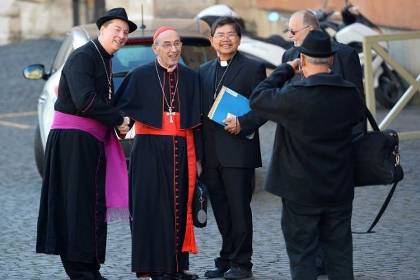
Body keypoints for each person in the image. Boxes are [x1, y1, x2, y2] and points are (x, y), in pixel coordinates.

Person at [250, 30, 365, 280]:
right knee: (340, 255)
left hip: (299, 190)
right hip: (338, 187)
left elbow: (258, 98)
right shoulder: (349, 93)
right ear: (332, 60)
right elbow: (357, 120)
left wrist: (286, 70)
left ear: (302, 60)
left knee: (303, 256)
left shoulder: (294, 95)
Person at [36, 7, 136, 280]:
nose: (122, 35)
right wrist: (117, 118)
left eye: (125, 32)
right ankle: (80, 271)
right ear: (102, 29)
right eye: (117, 29)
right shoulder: (83, 57)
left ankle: (90, 267)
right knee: (77, 206)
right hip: (73, 143)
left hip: (89, 142)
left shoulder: (104, 58)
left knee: (92, 204)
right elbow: (86, 100)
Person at [114, 26, 201, 280]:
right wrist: (121, 128)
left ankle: (176, 267)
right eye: (167, 45)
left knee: (179, 206)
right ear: (156, 49)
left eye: (177, 44)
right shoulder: (139, 76)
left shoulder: (191, 77)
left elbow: (198, 123)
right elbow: (121, 114)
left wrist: (201, 159)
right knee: (150, 208)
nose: (173, 49)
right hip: (148, 150)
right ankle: (153, 268)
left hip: (181, 149)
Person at [198, 16, 266, 280]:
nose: (225, 39)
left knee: (239, 210)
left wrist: (244, 123)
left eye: (231, 34)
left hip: (239, 151)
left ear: (239, 38)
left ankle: (243, 264)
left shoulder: (253, 68)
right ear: (212, 40)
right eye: (220, 35)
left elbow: (264, 106)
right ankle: (226, 259)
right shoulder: (203, 71)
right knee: (222, 211)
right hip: (211, 154)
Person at [284, 9, 365, 138]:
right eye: (288, 31)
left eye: (293, 31)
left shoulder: (345, 55)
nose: (289, 36)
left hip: (336, 138)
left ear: (309, 29)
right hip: (299, 138)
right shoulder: (289, 55)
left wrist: (356, 140)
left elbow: (357, 102)